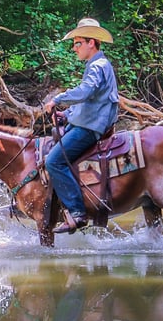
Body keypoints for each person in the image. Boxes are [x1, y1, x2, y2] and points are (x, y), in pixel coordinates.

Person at [44, 18, 120, 234]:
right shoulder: (96, 65)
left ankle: (77, 212)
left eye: (78, 43)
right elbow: (89, 102)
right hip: (87, 121)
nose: (74, 48)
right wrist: (65, 114)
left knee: (54, 161)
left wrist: (58, 99)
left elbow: (85, 92)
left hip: (89, 128)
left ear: (91, 43)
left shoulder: (97, 65)